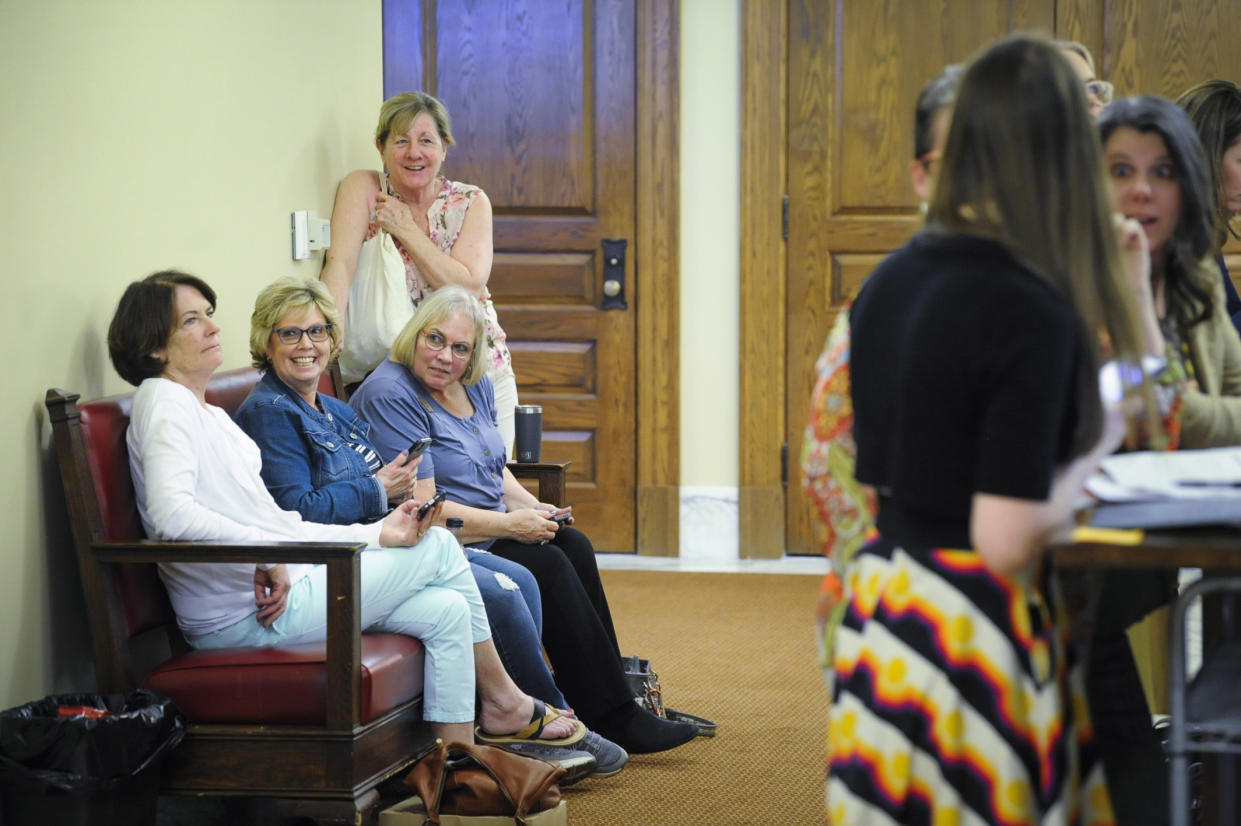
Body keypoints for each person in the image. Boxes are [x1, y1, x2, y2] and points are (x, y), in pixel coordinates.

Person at [830, 34, 1152, 824]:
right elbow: (1005, 535)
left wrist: (1133, 292)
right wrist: (1092, 464)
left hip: (884, 606)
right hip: (973, 621)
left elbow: (880, 471)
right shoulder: (1026, 304)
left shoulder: (889, 282)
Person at [106, 270, 586, 753]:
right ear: (153, 346)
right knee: (440, 544)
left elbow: (281, 522)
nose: (212, 327)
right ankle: (507, 704)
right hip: (244, 616)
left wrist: (380, 533)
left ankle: (456, 763)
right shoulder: (162, 402)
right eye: (192, 320)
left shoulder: (205, 412)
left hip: (288, 586)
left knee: (448, 609)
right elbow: (171, 517)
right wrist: (268, 555)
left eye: (209, 314)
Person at [232, 275, 626, 776]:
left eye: (318, 332)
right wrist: (381, 491)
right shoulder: (271, 414)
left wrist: (394, 501)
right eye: (290, 334)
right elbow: (298, 510)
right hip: (338, 559)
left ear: (334, 340)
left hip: (384, 539)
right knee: (505, 590)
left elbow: (395, 487)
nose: (306, 345)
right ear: (266, 341)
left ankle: (507, 729)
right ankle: (527, 717)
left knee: (532, 570)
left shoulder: (331, 410)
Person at [348, 286, 700, 755]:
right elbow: (427, 511)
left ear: (473, 355)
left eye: (459, 348)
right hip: (451, 538)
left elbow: (495, 471)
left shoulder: (473, 384)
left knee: (573, 544)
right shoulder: (391, 393)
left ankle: (610, 700)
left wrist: (529, 506)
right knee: (550, 565)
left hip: (488, 524)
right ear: (415, 333)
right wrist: (511, 526)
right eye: (434, 339)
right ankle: (609, 715)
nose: (443, 357)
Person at [320, 91, 520, 450]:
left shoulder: (469, 202)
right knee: (429, 483)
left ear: (444, 147)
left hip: (474, 367)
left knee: (495, 474)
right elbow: (340, 262)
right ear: (380, 147)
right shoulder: (364, 189)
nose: (414, 153)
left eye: (426, 141)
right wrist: (327, 329)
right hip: (402, 379)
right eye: (401, 141)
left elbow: (468, 285)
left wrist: (405, 229)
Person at [1101, 96, 1241, 448]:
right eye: (1121, 171)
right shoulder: (1065, 285)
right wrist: (1135, 294)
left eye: (1163, 172)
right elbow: (1161, 424)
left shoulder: (1199, 273)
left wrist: (1189, 406)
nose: (1142, 190)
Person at [1178, 79, 1241, 334]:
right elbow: (1211, 346)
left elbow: (1230, 314)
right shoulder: (1172, 238)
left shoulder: (1205, 227)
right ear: (1204, 156)